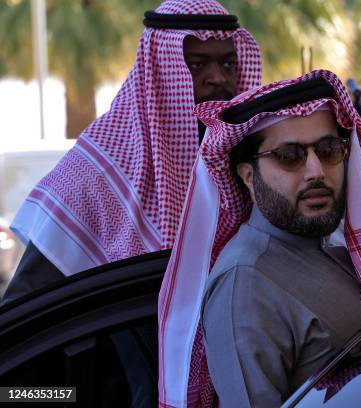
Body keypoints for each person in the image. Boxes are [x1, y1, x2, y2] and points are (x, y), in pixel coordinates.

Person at [158, 71, 361, 406]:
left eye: (329, 149)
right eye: (290, 156)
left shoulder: (339, 247)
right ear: (248, 176)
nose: (316, 171)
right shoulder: (245, 283)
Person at [2, 0, 261, 304]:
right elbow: (27, 309)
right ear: (161, 72)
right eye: (197, 65)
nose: (218, 78)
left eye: (228, 65)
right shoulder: (94, 175)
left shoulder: (244, 160)